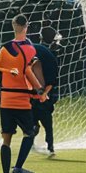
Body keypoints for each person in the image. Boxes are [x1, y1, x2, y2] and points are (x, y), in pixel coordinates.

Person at [0, 14, 44, 173]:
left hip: (5, 100)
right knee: (30, 132)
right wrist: (39, 90)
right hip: (21, 100)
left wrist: (9, 71)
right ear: (26, 27)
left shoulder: (5, 48)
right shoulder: (30, 48)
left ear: (13, 26)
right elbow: (29, 73)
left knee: (6, 138)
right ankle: (18, 167)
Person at [31, 26, 61, 158]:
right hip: (44, 94)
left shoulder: (33, 50)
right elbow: (52, 79)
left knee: (34, 123)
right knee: (47, 124)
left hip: (33, 94)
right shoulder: (51, 54)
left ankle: (32, 143)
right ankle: (50, 147)